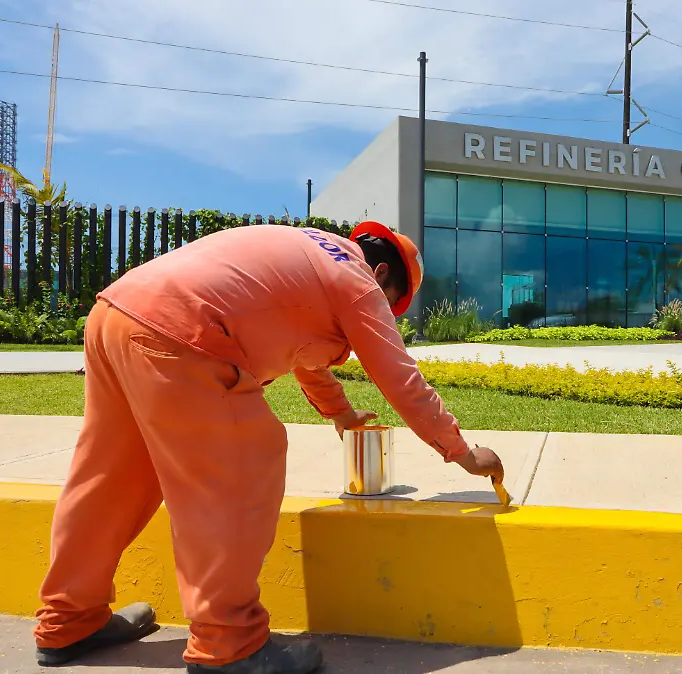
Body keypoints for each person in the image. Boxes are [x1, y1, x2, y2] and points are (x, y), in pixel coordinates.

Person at [32, 221, 505, 673]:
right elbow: (399, 375)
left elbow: (306, 357)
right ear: (382, 274)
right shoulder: (358, 281)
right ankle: (228, 643)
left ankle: (69, 620)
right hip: (187, 331)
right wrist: (460, 450)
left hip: (116, 313)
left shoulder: (315, 253)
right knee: (243, 465)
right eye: (393, 303)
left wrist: (339, 412)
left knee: (113, 476)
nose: (385, 311)